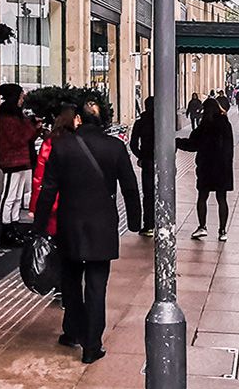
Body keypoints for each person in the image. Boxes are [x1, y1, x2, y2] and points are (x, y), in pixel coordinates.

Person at [32, 100, 141, 365]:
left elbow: (48, 190)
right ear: (103, 120)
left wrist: (40, 228)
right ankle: (92, 345)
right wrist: (136, 222)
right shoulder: (115, 147)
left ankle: (73, 332)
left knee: (70, 282)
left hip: (69, 225)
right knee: (96, 285)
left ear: (78, 119)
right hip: (102, 227)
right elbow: (129, 187)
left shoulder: (62, 146)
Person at [176, 96, 235, 241]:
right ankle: (222, 231)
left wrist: (176, 142)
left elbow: (192, 144)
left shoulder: (204, 126)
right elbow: (229, 147)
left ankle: (202, 227)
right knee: (222, 199)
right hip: (222, 168)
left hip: (206, 167)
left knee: (202, 197)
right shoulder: (225, 124)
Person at [0, 84, 36, 246]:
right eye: (20, 96)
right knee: (10, 195)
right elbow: (18, 138)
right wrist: (31, 126)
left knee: (17, 196)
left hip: (21, 159)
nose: (22, 100)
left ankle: (14, 225)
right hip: (13, 160)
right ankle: (7, 228)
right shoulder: (7, 115)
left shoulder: (16, 114)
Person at [29, 106, 79, 237]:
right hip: (72, 200)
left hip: (52, 200)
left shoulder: (50, 142)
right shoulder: (78, 142)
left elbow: (39, 176)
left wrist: (34, 207)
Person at [129, 96, 156, 238]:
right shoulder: (162, 120)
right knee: (163, 192)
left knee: (148, 193)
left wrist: (141, 155)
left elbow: (133, 143)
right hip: (161, 161)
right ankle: (163, 222)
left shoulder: (140, 122)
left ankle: (149, 225)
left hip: (147, 161)